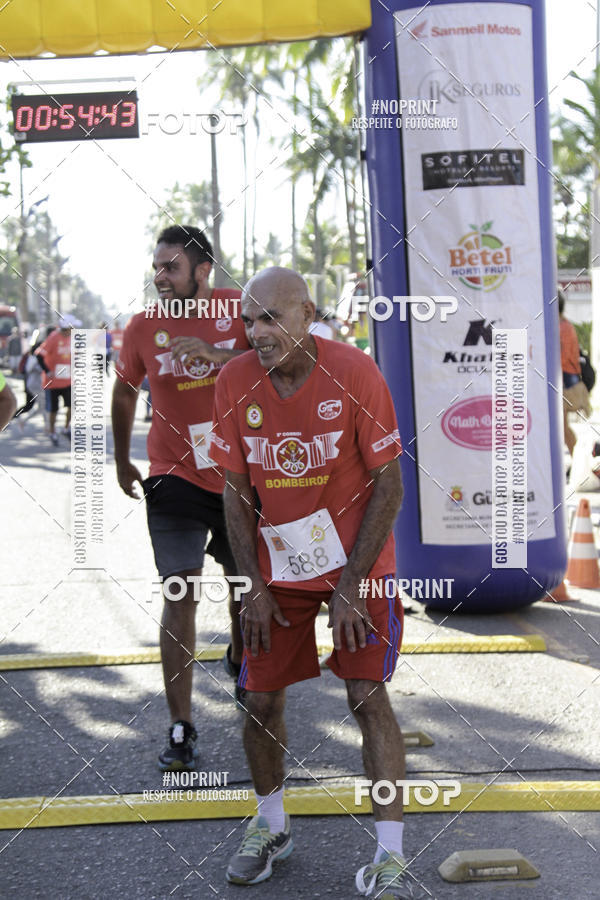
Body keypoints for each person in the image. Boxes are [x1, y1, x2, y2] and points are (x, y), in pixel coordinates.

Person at [210, 268, 409, 897]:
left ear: (307, 314)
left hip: (358, 563)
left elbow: (390, 485)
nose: (256, 333)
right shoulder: (235, 380)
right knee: (260, 701)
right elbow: (236, 493)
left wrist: (352, 585)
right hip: (279, 567)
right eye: (248, 322)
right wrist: (253, 589)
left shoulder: (354, 372)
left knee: (364, 695)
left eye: (269, 318)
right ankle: (271, 827)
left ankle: (390, 856)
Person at [112, 224, 250, 771]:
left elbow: (282, 359)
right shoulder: (143, 327)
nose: (159, 275)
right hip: (172, 473)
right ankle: (181, 725)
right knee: (180, 590)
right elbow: (125, 392)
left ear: (202, 271)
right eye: (157, 265)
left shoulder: (240, 308)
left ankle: (241, 656)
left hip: (239, 475)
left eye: (171, 266)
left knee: (245, 585)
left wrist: (217, 354)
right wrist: (124, 459)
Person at [36, 314, 80, 445]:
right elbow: (39, 355)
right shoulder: (53, 337)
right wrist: (48, 371)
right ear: (67, 328)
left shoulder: (73, 338)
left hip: (67, 381)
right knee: (53, 410)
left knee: (72, 405)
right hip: (52, 382)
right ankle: (52, 432)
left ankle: (66, 428)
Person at [559, 289, 590, 458]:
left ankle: (579, 461)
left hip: (564, 379)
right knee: (561, 427)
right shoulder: (566, 325)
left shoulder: (561, 327)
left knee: (561, 427)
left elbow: (560, 357)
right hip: (567, 378)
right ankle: (578, 460)